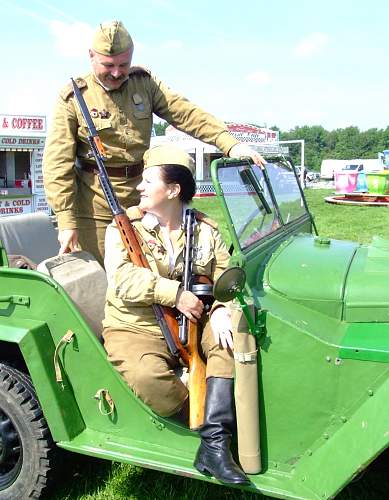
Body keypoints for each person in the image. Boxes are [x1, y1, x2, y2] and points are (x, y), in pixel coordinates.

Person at [43, 20, 264, 266]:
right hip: (95, 207)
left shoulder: (144, 83)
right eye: (108, 65)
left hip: (143, 198)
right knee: (102, 279)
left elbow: (184, 113)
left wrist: (230, 144)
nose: (116, 73)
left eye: (123, 65)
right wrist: (66, 221)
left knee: (152, 271)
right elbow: (57, 164)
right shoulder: (74, 98)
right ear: (91, 56)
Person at [102, 144, 249, 485]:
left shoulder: (205, 230)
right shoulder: (125, 227)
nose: (139, 186)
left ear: (173, 189)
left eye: (148, 180)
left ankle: (215, 444)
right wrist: (175, 294)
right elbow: (122, 279)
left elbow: (226, 278)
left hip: (197, 320)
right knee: (147, 377)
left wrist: (223, 309)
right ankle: (202, 415)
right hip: (135, 324)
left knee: (230, 341)